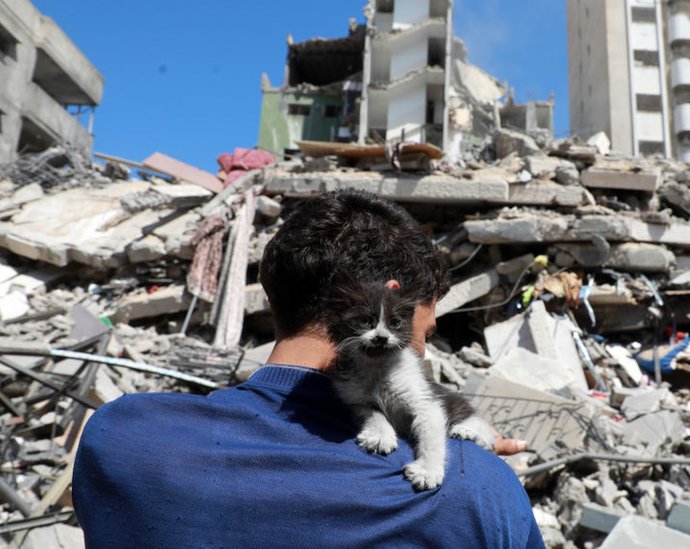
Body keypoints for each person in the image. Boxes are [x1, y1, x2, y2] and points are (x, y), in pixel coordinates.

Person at [73, 190, 544, 548]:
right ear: (389, 300)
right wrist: (473, 464)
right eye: (424, 331)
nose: (421, 352)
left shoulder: (122, 438)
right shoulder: (474, 488)